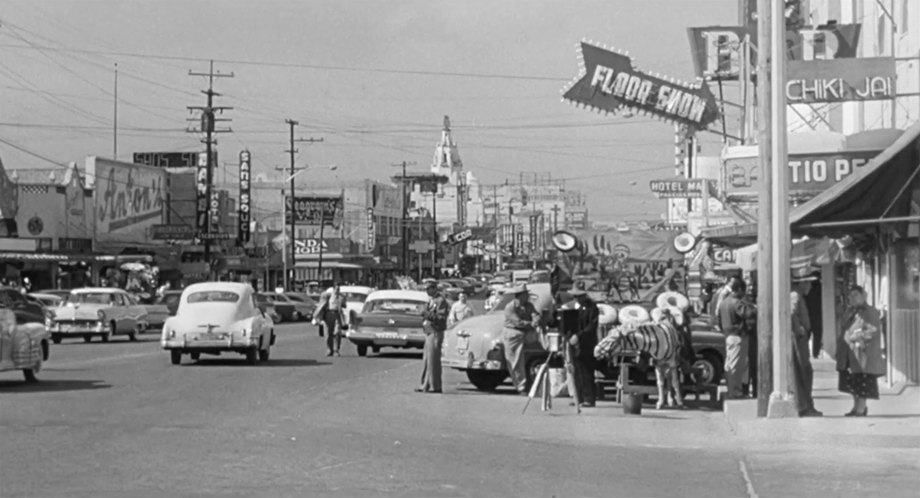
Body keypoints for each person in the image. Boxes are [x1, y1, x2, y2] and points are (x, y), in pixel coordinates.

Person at [837, 286, 884, 417]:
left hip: (863, 354)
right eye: (850, 296)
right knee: (852, 382)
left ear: (864, 296)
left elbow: (873, 331)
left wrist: (858, 336)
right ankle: (856, 407)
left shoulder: (870, 311)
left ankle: (861, 409)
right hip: (849, 354)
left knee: (863, 382)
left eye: (856, 295)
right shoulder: (849, 311)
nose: (853, 298)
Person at [718, 278, 757, 399]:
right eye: (742, 290)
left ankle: (732, 390)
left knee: (729, 365)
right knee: (736, 367)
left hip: (728, 336)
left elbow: (719, 321)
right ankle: (735, 392)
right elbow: (748, 313)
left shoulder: (724, 303)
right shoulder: (736, 303)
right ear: (739, 289)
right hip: (738, 336)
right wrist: (755, 307)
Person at [791, 271, 823, 417]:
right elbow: (791, 314)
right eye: (808, 282)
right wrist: (799, 329)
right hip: (799, 339)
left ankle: (806, 404)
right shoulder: (795, 295)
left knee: (806, 371)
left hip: (801, 338)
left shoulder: (799, 296)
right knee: (804, 371)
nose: (810, 286)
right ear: (802, 283)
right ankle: (805, 405)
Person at [502, 284, 541, 394]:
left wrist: (536, 319)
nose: (527, 296)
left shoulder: (528, 305)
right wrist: (531, 323)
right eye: (525, 294)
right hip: (513, 334)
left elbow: (535, 314)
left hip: (526, 333)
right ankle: (521, 387)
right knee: (516, 361)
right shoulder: (510, 307)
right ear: (519, 296)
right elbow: (517, 322)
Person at [568, 287, 599, 407]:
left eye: (578, 296)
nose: (576, 299)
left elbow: (591, 326)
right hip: (575, 343)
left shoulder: (592, 307)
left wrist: (579, 336)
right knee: (576, 371)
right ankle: (578, 397)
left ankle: (589, 398)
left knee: (586, 370)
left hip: (587, 342)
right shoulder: (576, 307)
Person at [417, 281, 449, 393]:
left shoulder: (441, 301)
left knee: (433, 360)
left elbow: (440, 318)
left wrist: (425, 313)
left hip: (436, 331)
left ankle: (435, 386)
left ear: (434, 288)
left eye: (429, 289)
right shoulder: (430, 300)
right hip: (428, 331)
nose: (427, 291)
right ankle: (425, 384)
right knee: (427, 360)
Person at [313, 284, 347, 357]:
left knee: (337, 332)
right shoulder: (327, 296)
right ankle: (329, 349)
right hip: (328, 314)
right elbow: (322, 305)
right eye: (336, 289)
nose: (337, 291)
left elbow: (344, 305)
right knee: (328, 333)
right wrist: (317, 315)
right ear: (333, 289)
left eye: (339, 289)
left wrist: (343, 301)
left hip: (337, 314)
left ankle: (336, 350)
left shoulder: (341, 297)